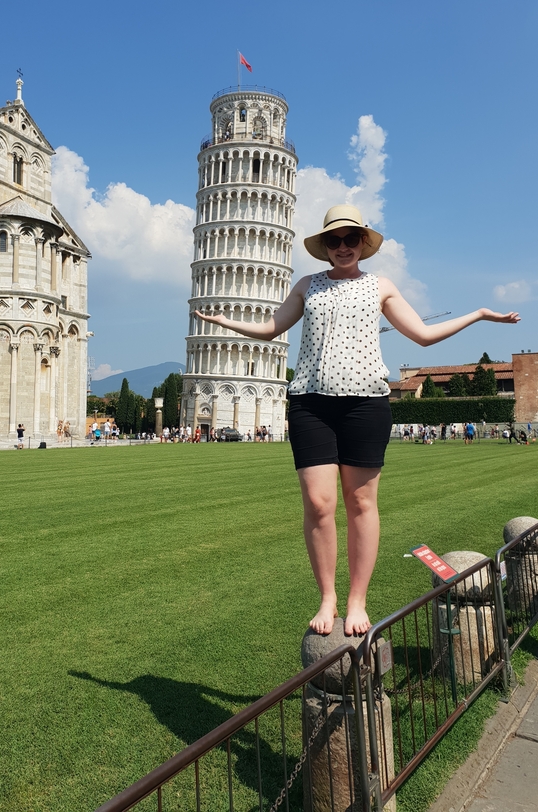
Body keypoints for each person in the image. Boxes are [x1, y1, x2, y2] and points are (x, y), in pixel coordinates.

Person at [196, 203, 519, 637]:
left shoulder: (380, 286)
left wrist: (479, 314)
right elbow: (273, 328)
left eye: (351, 239)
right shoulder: (308, 285)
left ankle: (356, 600)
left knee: (362, 503)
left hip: (365, 403)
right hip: (310, 402)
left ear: (364, 244)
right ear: (325, 246)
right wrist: (224, 321)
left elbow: (422, 335)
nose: (343, 246)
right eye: (335, 239)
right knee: (318, 503)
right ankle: (327, 595)